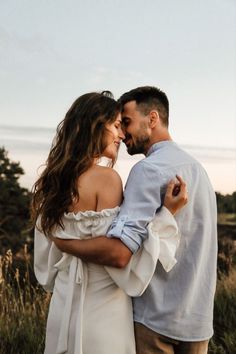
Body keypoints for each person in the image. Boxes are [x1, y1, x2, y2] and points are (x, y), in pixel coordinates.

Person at [54, 86, 218, 354]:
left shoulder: (148, 170)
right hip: (198, 321)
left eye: (126, 122)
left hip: (154, 321)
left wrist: (66, 244)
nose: (123, 132)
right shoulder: (199, 171)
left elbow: (120, 253)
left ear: (152, 119)